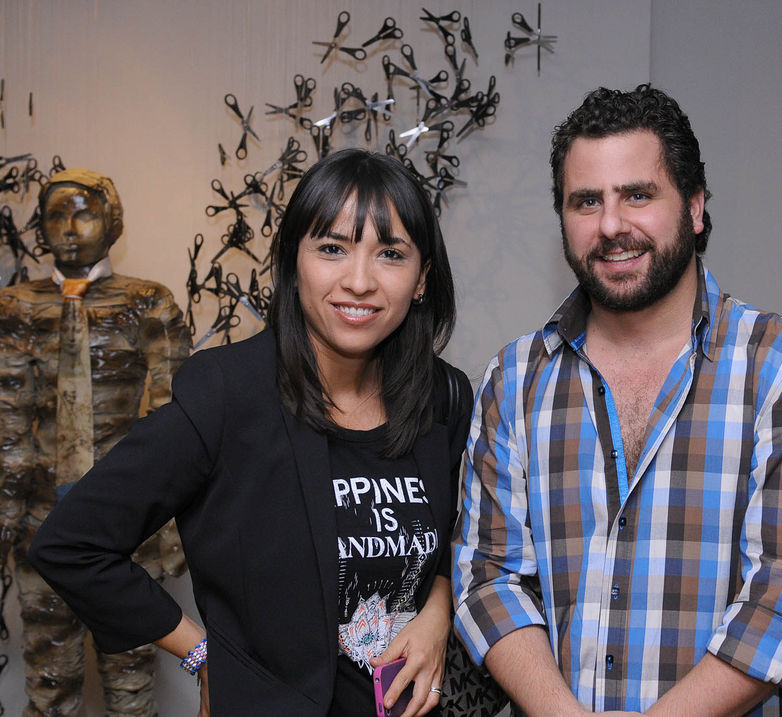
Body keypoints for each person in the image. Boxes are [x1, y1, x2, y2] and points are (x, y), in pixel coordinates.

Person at [452, 85, 782, 716]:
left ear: (695, 207)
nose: (611, 225)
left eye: (637, 195)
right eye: (586, 201)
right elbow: (488, 579)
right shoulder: (513, 380)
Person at [29, 149, 472, 717]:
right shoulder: (226, 395)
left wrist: (436, 611)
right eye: (332, 248)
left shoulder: (443, 397)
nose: (359, 281)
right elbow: (72, 543)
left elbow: (460, 535)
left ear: (421, 278)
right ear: (292, 262)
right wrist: (202, 655)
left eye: (391, 254)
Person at [0, 168, 190, 716]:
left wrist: (169, 528)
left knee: (131, 685)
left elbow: (175, 419)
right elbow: (9, 423)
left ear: (112, 221)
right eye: (55, 215)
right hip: (41, 523)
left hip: (124, 525)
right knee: (49, 683)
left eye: (83, 213)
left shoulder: (146, 302)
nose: (68, 228)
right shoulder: (16, 307)